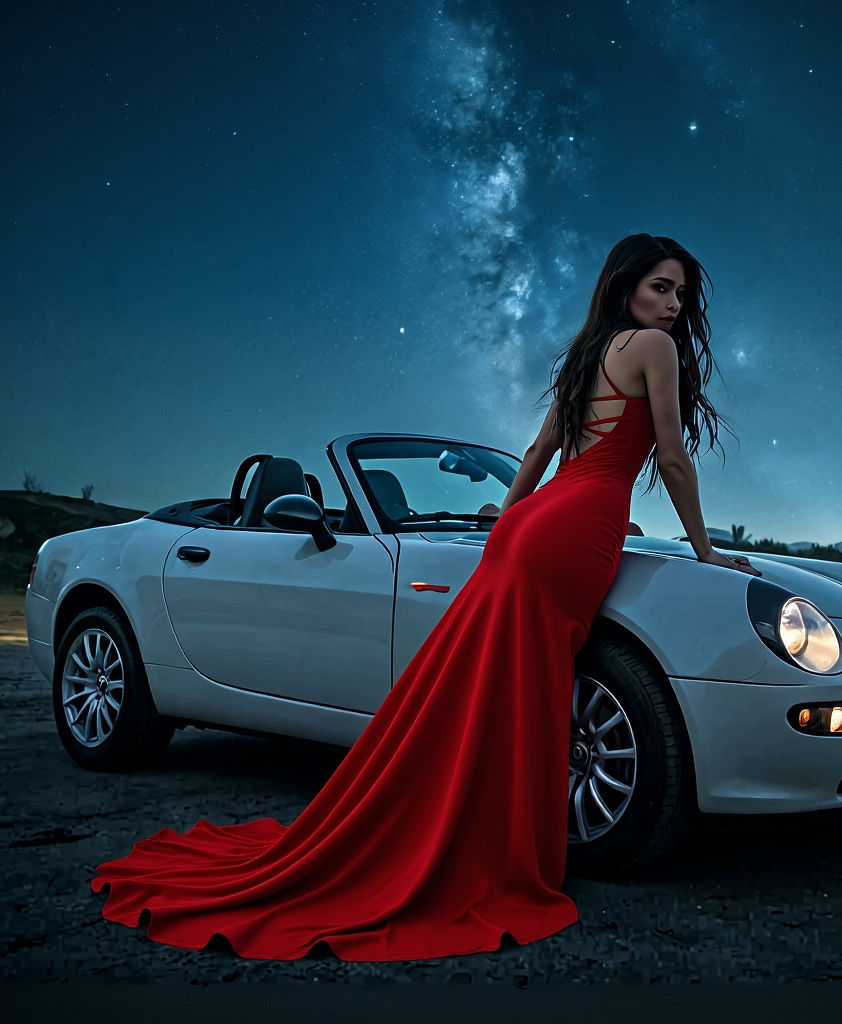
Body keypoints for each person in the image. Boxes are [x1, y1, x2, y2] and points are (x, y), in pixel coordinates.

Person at [91, 232, 759, 962]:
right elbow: (670, 456)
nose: (672, 305)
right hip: (575, 524)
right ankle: (494, 834)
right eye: (661, 287)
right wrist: (702, 549)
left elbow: (540, 458)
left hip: (537, 523)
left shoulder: (584, 357)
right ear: (627, 284)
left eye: (681, 294)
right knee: (530, 682)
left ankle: (460, 821)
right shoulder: (654, 352)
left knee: (497, 678)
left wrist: (509, 525)